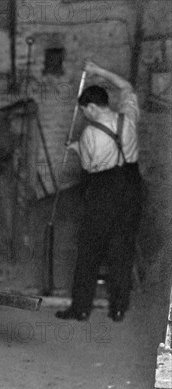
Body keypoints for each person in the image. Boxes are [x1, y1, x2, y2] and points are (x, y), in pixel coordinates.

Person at [56, 60, 143, 322]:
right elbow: (126, 87)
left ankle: (81, 308)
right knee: (122, 249)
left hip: (104, 190)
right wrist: (98, 71)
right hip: (131, 186)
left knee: (90, 250)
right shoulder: (128, 117)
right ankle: (118, 308)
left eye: (85, 110)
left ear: (92, 107)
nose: (84, 115)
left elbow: (90, 166)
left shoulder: (90, 134)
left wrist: (75, 148)